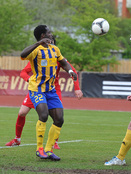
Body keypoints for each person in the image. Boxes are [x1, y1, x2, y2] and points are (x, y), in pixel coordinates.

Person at [20, 24, 79, 161]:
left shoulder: (55, 49)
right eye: (49, 32)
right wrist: (37, 44)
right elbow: (22, 55)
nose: (51, 34)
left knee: (59, 119)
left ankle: (49, 149)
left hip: (51, 90)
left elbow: (64, 62)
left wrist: (70, 71)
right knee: (44, 115)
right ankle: (39, 148)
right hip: (37, 89)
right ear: (42, 35)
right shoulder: (36, 50)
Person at [5, 58, 83, 148]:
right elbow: (23, 72)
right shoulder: (38, 57)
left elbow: (73, 71)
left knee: (57, 116)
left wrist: (77, 88)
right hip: (37, 89)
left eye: (51, 43)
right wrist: (30, 80)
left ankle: (54, 142)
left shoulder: (58, 57)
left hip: (53, 90)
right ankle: (17, 139)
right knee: (22, 112)